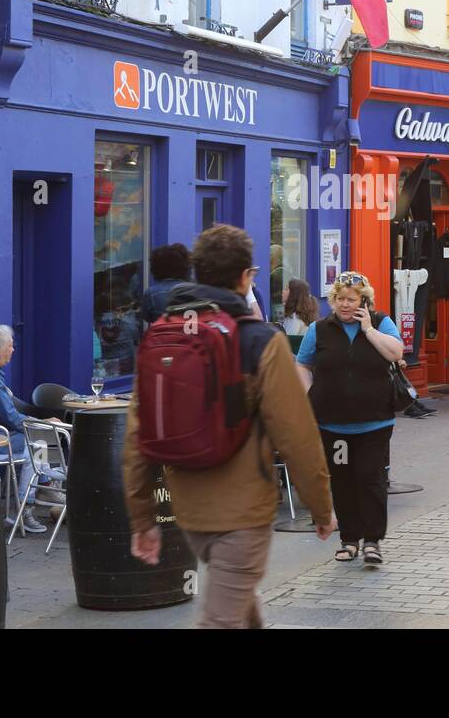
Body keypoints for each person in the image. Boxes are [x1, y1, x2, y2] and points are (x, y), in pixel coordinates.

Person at [125, 224, 335, 628]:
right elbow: (297, 434)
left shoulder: (163, 333)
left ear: (197, 273)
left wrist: (143, 517)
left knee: (239, 606)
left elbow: (137, 437)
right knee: (222, 619)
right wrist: (321, 507)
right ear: (245, 277)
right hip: (244, 514)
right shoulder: (259, 340)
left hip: (189, 510)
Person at [296, 271, 404, 565]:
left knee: (371, 477)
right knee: (343, 480)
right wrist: (309, 393)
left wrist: (369, 329)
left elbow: (396, 352)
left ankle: (372, 541)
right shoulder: (319, 329)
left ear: (363, 301)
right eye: (340, 299)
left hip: (375, 421)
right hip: (333, 423)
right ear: (333, 301)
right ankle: (349, 539)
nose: (345, 305)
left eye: (351, 299)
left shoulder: (381, 322)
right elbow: (302, 364)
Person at [0, 324, 61, 534]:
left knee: (37, 440)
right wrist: (43, 422)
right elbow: (10, 418)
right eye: (11, 345)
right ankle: (26, 506)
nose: (13, 350)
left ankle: (45, 485)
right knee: (36, 442)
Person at [141, 243, 191, 323]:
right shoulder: (194, 291)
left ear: (155, 268)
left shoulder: (151, 294)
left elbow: (147, 318)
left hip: (162, 334)